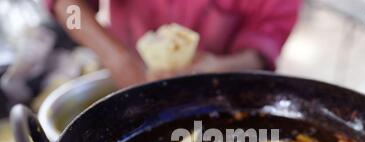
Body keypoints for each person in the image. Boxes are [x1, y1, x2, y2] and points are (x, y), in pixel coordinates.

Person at [46, 0, 301, 88]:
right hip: (122, 82)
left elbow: (268, 36)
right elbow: (68, 8)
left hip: (219, 92)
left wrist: (221, 66)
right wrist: (115, 57)